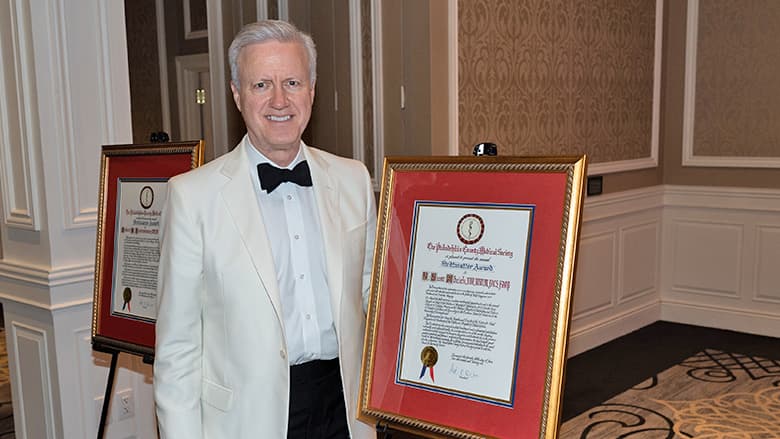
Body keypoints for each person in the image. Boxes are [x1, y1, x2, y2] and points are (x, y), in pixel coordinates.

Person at [153, 19, 376, 439]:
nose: (279, 100)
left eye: (292, 82)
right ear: (237, 94)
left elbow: (375, 300)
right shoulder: (192, 197)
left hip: (344, 408)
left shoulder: (354, 180)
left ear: (312, 89)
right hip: (245, 420)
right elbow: (177, 350)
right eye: (261, 85)